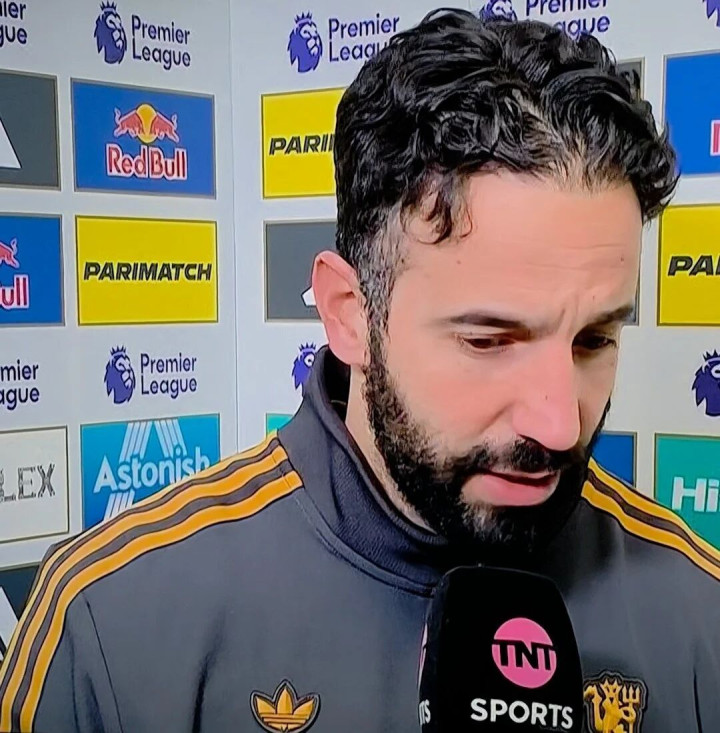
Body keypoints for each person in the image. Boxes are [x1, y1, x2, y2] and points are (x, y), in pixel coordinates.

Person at [2, 8, 719, 733]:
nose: (559, 424)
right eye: (489, 341)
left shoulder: (698, 610)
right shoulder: (110, 623)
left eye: (594, 340)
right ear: (349, 315)